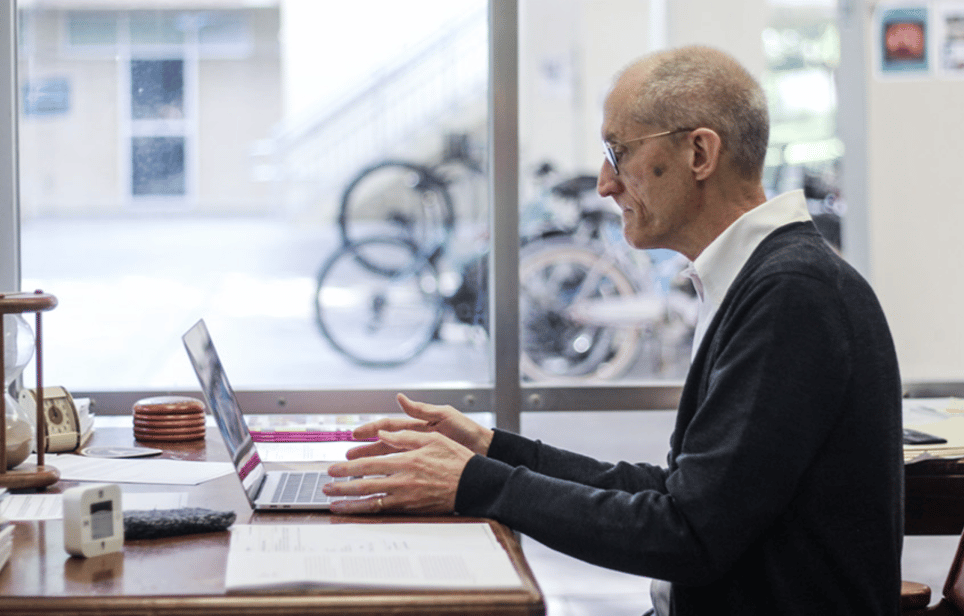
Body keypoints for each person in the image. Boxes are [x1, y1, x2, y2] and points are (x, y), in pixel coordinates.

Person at [324, 45, 903, 616]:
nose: (605, 183)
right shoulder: (764, 279)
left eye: (618, 152)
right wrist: (491, 450)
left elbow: (688, 535)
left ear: (699, 153)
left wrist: (476, 484)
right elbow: (682, 495)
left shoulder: (792, 295)